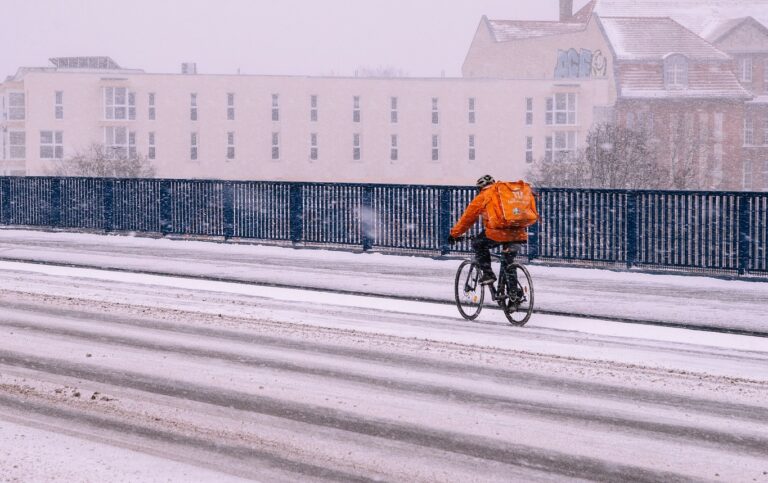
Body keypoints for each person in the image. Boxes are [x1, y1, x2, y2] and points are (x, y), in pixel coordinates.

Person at [447, 175, 531, 285]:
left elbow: (468, 218)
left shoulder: (483, 196)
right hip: (518, 233)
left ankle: (488, 274)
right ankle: (514, 295)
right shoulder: (506, 194)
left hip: (499, 232)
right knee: (508, 261)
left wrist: (454, 234)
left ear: (480, 188)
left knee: (478, 244)